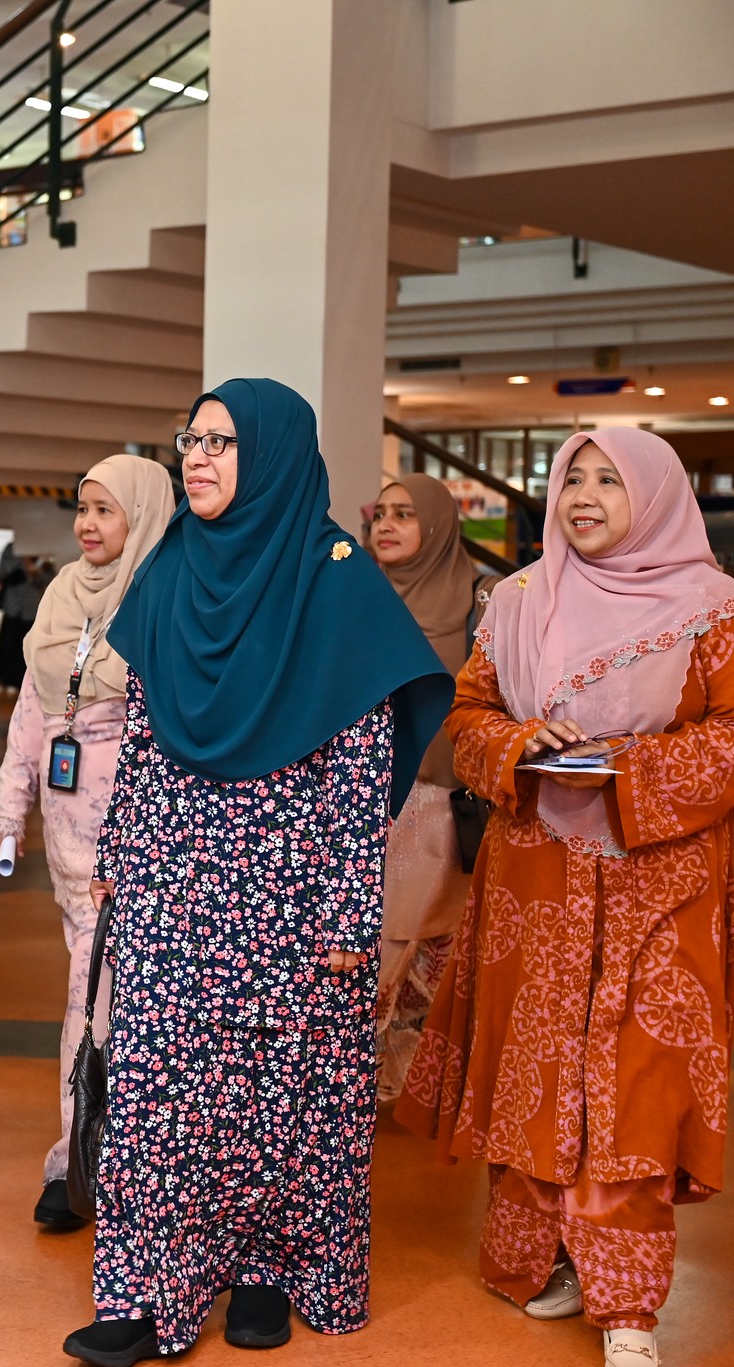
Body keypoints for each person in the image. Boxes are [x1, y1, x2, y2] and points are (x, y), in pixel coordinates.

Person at [64, 379, 453, 1365]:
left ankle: (268, 1268)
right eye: (189, 437)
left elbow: (361, 775)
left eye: (221, 441)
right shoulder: (169, 576)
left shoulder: (335, 582)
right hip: (172, 875)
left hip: (293, 884)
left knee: (278, 1087)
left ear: (273, 454)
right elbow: (143, 741)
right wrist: (118, 851)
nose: (196, 456)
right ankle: (148, 1285)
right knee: (159, 1083)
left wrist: (344, 913)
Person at [396, 428, 734, 1367]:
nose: (584, 495)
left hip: (656, 885)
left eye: (608, 480)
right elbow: (467, 716)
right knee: (535, 1065)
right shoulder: (516, 601)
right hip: (534, 880)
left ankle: (627, 1299)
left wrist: (628, 766)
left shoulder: (713, 611)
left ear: (658, 497)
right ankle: (541, 1261)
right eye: (572, 477)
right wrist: (516, 746)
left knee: (636, 1083)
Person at [0, 454, 173, 1234]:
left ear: (145, 516)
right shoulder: (64, 593)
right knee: (90, 989)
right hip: (68, 841)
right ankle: (87, 1150)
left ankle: (93, 1159)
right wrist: (8, 811)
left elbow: (169, 740)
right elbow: (32, 713)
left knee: (101, 1000)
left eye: (107, 510)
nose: (88, 524)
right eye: (82, 508)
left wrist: (140, 838)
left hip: (132, 842)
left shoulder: (165, 597)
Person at [367, 472, 492, 1100]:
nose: (385, 525)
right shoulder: (353, 597)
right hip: (361, 805)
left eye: (404, 514)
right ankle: (362, 1080)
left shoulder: (478, 605)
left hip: (440, 806)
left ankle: (415, 1082)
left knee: (428, 944)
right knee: (370, 945)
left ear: (439, 525)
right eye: (380, 513)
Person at [0, 544, 51, 692]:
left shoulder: (43, 551)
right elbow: (2, 573)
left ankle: (23, 681)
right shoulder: (11, 549)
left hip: (32, 607)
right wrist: (23, 565)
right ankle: (4, 679)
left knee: (27, 647)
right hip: (13, 605)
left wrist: (35, 572)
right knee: (8, 644)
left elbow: (49, 579)